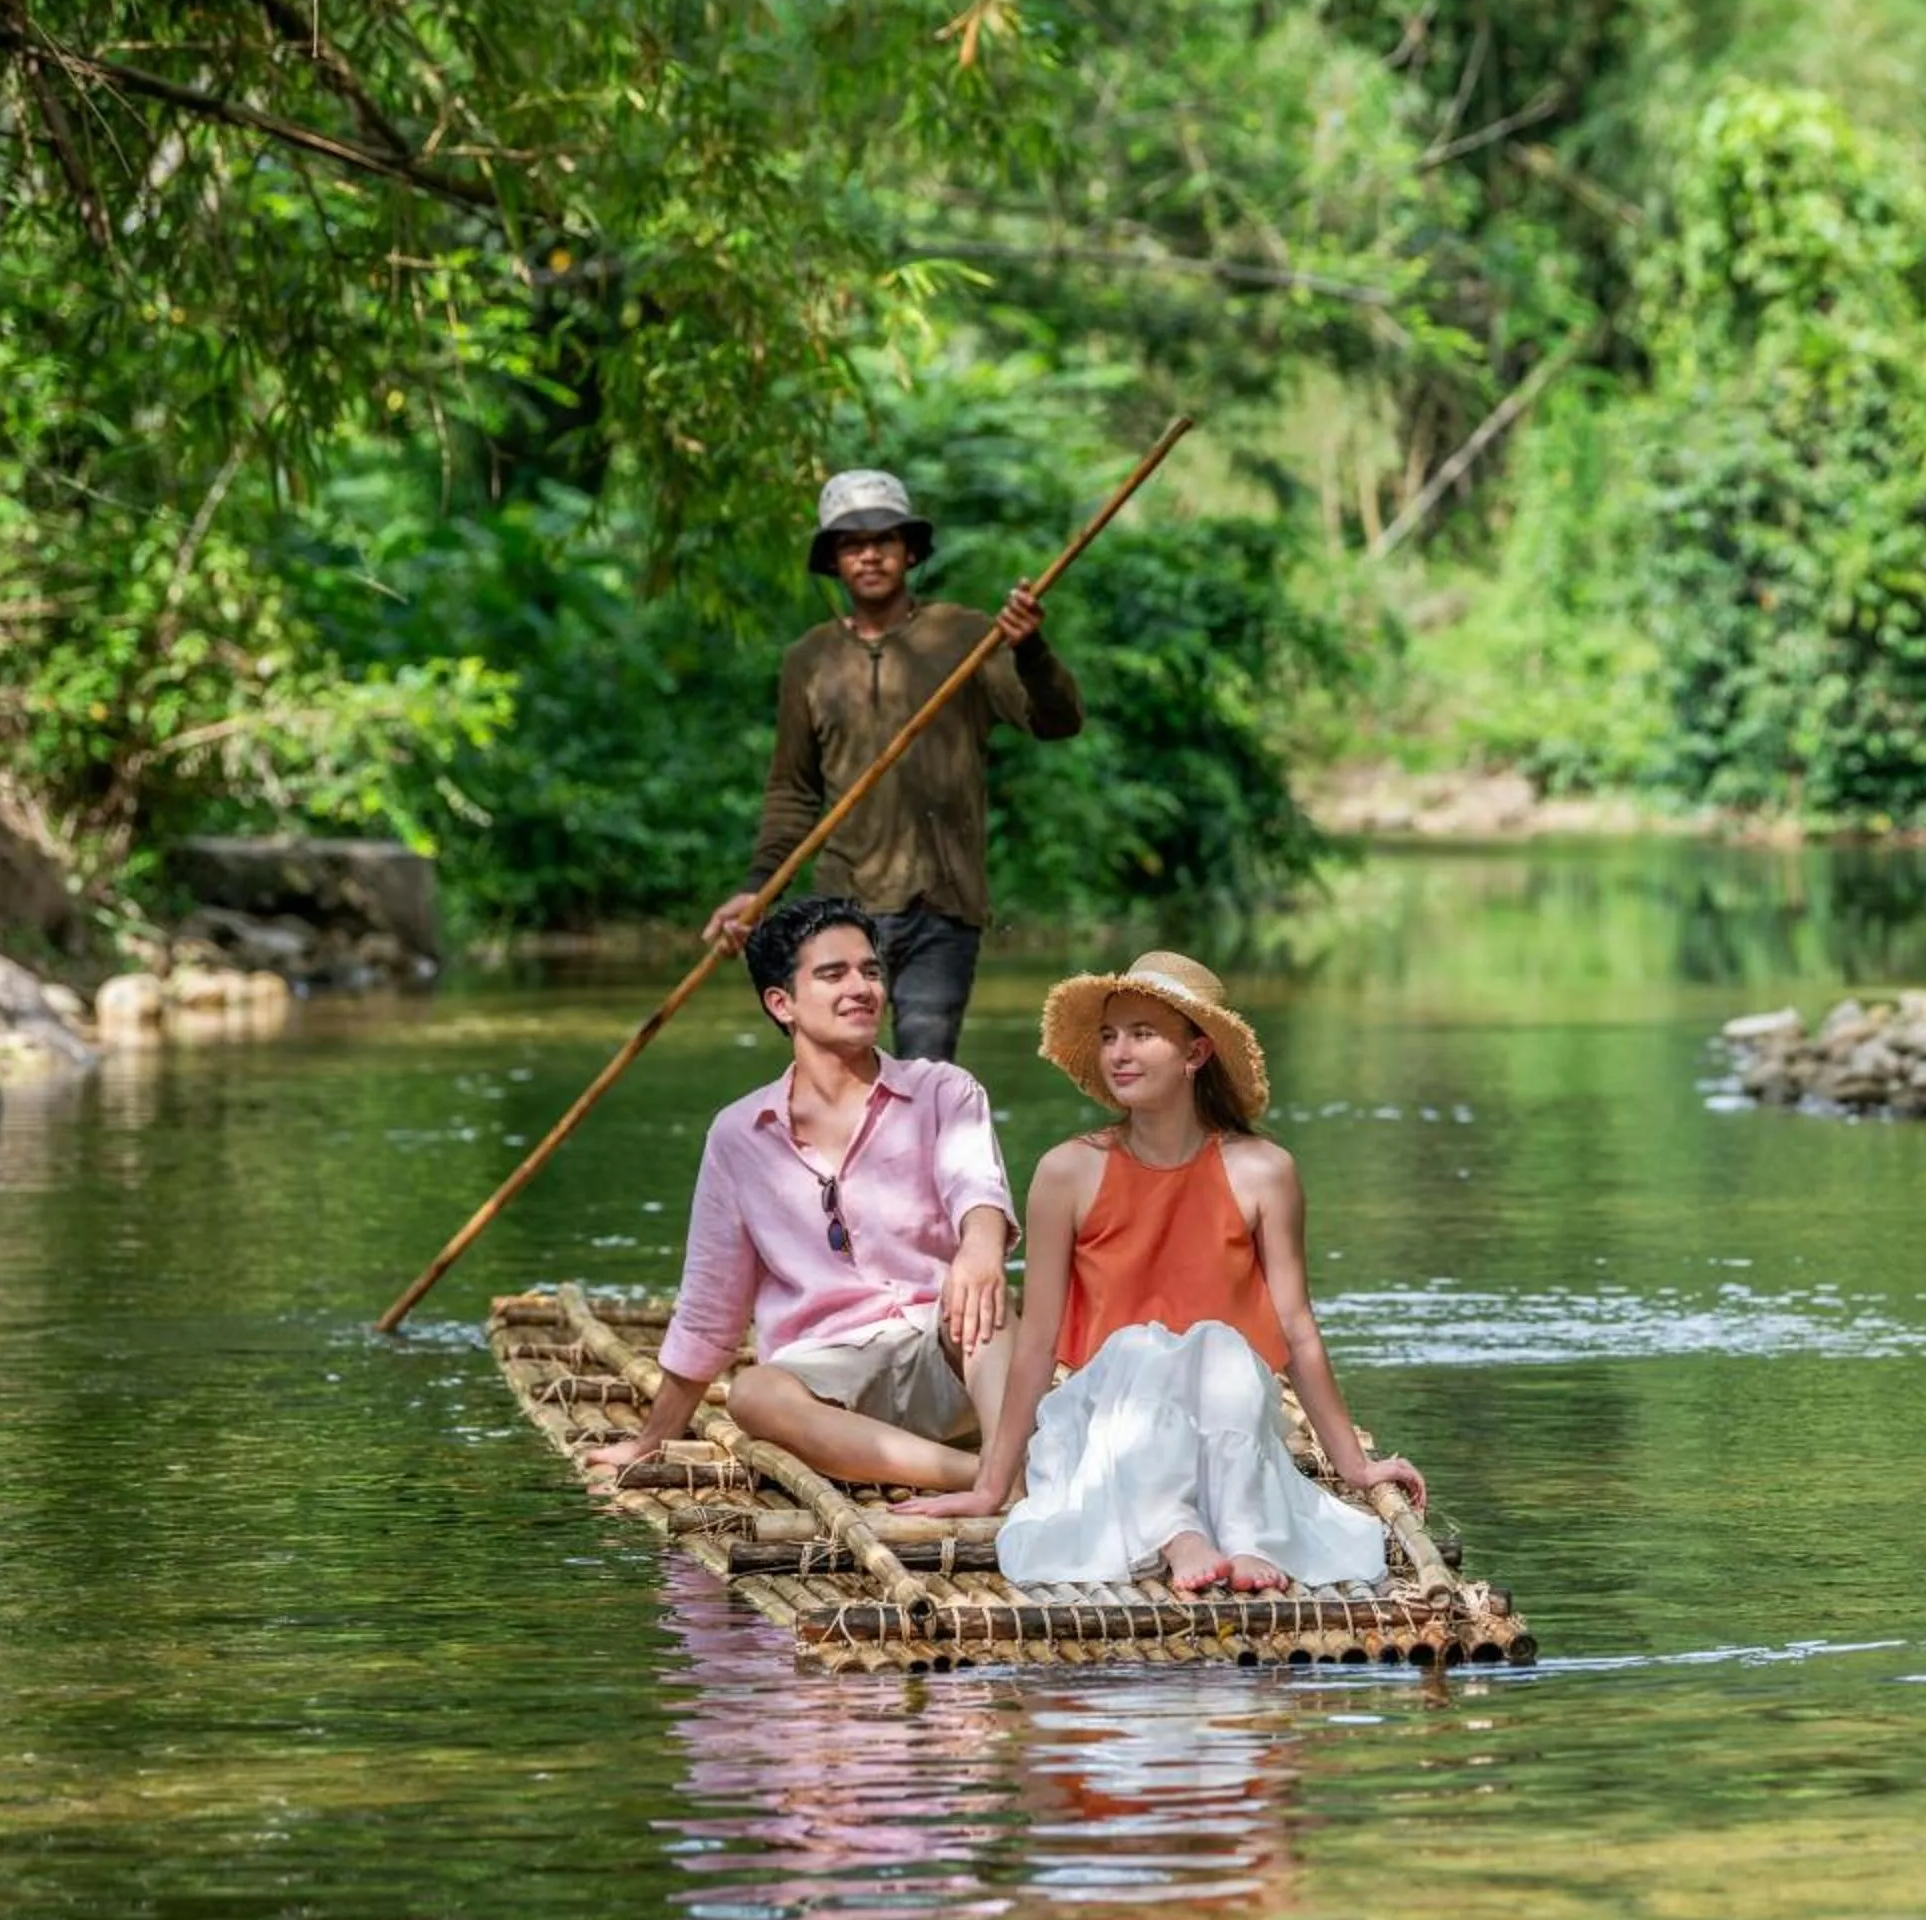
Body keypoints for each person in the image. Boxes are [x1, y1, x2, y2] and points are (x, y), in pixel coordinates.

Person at [905, 951, 1427, 1597]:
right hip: (1111, 1424)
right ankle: (1178, 1533)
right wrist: (991, 1485)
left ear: (1196, 1053)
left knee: (1219, 1349)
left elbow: (1296, 1330)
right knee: (1141, 1348)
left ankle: (1246, 1534)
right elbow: (1036, 1342)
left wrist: (1355, 1467)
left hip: (1224, 1424)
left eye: (1143, 1034)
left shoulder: (1264, 1171)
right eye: (1109, 1036)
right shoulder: (1067, 1172)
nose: (1119, 1053)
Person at [584, 895, 1017, 1505]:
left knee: (981, 1298)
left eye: (870, 971)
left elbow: (978, 1190)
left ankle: (1003, 1460)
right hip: (828, 1387)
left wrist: (981, 1247)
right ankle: (987, 1478)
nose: (861, 988)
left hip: (945, 1351)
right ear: (781, 1003)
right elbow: (711, 1307)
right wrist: (652, 1440)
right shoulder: (739, 1134)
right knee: (753, 1394)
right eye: (833, 974)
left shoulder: (943, 1090)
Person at [703, 469, 1085, 1060]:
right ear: (834, 561)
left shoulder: (966, 635)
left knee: (925, 1070)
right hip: (844, 904)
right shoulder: (809, 659)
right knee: (839, 1065)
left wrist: (1030, 648)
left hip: (943, 901)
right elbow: (793, 792)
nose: (870, 555)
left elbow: (1057, 721)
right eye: (852, 544)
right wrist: (757, 889)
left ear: (909, 551)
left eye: (884, 539)